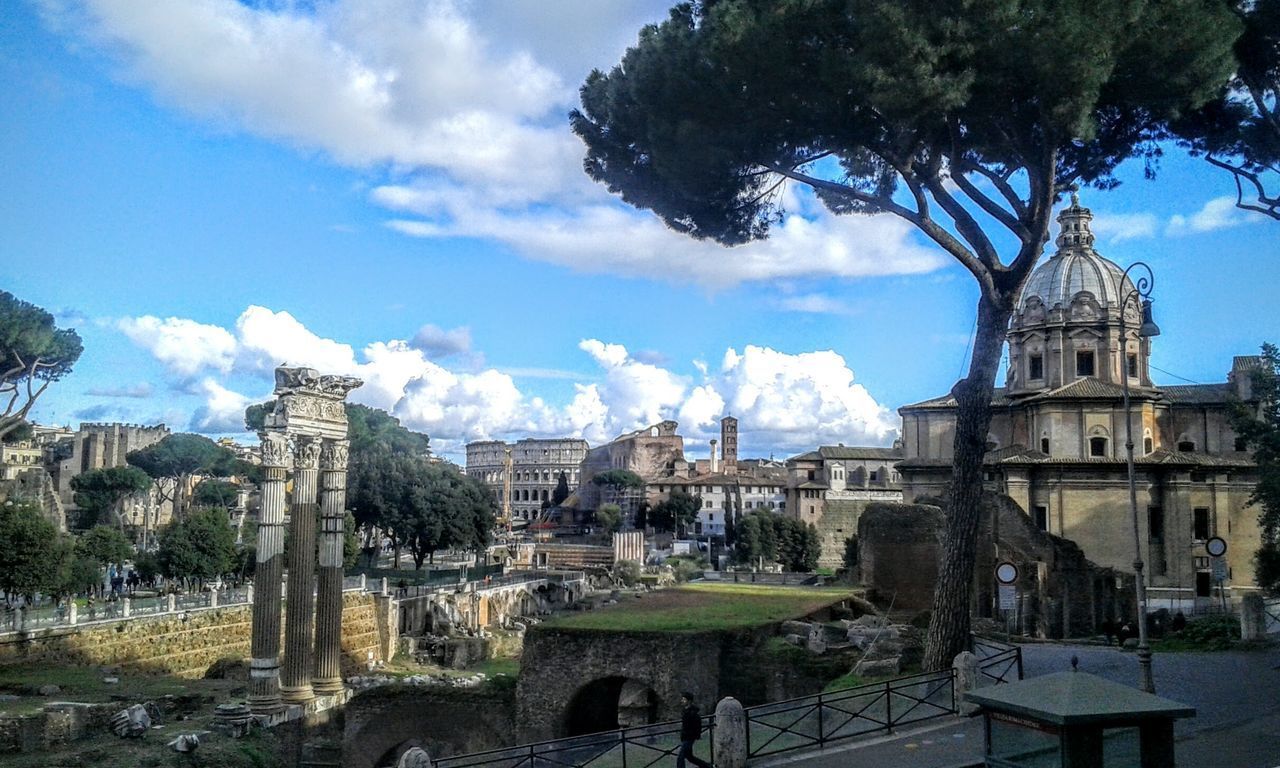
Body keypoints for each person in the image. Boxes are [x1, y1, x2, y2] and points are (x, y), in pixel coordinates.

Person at [677, 692, 712, 768]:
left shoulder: (693, 713)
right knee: (689, 757)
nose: (682, 701)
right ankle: (707, 766)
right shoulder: (686, 711)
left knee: (680, 757)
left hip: (689, 737)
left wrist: (694, 735)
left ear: (689, 701)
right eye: (682, 699)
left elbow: (697, 725)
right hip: (686, 737)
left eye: (684, 699)